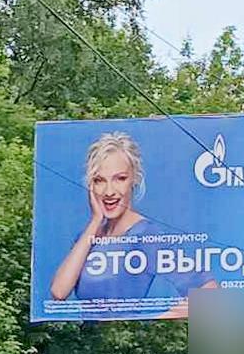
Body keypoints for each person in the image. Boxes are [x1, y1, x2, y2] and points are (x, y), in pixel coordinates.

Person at [47, 130, 179, 309]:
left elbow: (209, 291)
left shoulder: (146, 235)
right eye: (99, 180)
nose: (109, 192)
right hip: (86, 335)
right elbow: (58, 292)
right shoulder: (87, 237)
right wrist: (95, 221)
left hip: (129, 335)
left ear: (134, 180)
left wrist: (156, 320)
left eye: (120, 179)